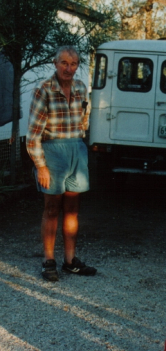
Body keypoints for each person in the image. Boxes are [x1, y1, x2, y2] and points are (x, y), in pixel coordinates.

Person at [26, 45, 96, 282]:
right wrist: (41, 166)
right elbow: (33, 134)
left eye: (73, 63)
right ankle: (48, 261)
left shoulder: (80, 88)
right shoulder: (43, 90)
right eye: (64, 63)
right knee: (52, 209)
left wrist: (79, 144)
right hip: (52, 151)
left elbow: (84, 120)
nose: (69, 68)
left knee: (73, 209)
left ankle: (70, 261)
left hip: (76, 148)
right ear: (55, 63)